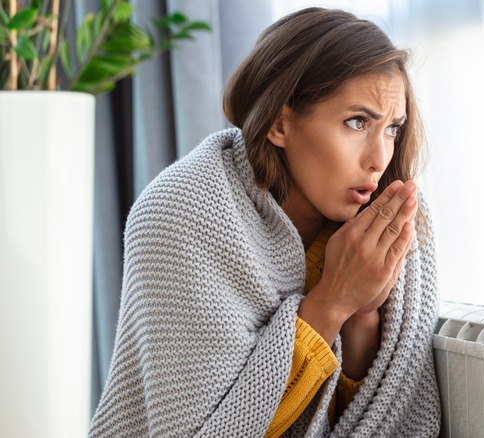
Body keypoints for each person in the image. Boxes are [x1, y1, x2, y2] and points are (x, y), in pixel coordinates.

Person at [89, 7, 441, 437]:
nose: (379, 159)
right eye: (357, 122)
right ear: (279, 122)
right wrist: (332, 300)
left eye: (392, 129)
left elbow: (369, 420)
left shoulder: (385, 222)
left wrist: (363, 313)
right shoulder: (180, 214)